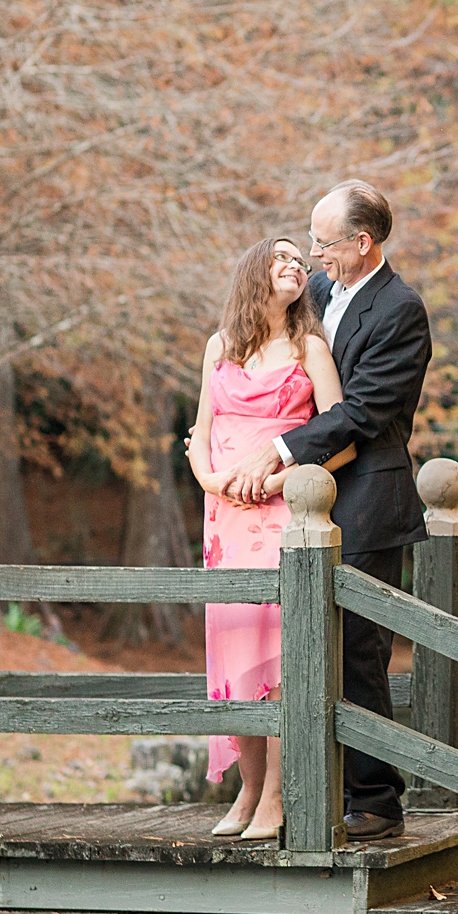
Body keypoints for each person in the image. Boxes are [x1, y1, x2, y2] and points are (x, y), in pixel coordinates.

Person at [221, 180, 433, 840]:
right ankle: (302, 789)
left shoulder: (400, 310)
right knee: (292, 648)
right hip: (298, 504)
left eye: (324, 242)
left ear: (362, 243)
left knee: (356, 649)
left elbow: (364, 412)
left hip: (367, 496)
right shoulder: (315, 294)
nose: (314, 255)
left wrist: (279, 451)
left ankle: (373, 801)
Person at [188, 236, 355, 840]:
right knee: (234, 655)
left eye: (300, 261)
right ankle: (247, 789)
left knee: (280, 651)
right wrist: (212, 481)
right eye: (282, 257)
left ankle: (277, 798)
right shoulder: (220, 347)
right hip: (224, 518)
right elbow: (203, 430)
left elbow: (344, 438)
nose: (295, 266)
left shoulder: (311, 347)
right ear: (255, 271)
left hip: (283, 513)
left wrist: (283, 479)